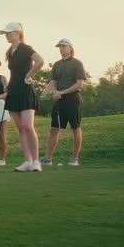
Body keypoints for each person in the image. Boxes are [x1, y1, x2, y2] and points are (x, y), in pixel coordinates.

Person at [0, 22, 45, 172]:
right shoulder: (9, 51)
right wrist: (8, 86)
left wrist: (29, 75)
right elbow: (14, 73)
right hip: (13, 92)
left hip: (25, 91)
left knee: (28, 126)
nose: (6, 35)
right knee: (21, 129)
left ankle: (36, 161)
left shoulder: (26, 48)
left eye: (8, 33)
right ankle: (28, 161)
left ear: (17, 33)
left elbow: (40, 61)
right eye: (5, 33)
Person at [41, 38, 86, 166]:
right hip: (58, 100)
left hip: (73, 99)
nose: (61, 49)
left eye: (64, 46)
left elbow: (79, 84)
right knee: (54, 129)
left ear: (70, 48)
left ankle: (74, 159)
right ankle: (47, 159)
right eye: (60, 47)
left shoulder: (77, 63)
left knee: (75, 128)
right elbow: (53, 82)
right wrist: (55, 92)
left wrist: (62, 92)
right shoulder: (57, 65)